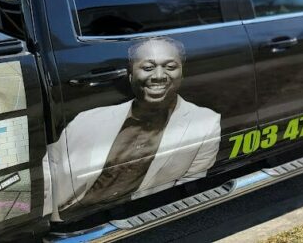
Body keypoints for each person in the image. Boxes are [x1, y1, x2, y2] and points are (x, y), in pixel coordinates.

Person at [43, 36, 221, 217]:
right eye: (148, 68)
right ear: (130, 76)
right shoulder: (87, 120)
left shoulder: (207, 123)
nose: (159, 76)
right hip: (66, 213)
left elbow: (189, 184)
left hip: (132, 214)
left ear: (182, 75)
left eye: (170, 67)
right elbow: (48, 168)